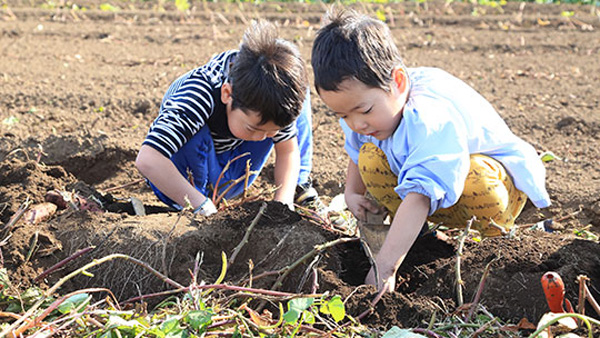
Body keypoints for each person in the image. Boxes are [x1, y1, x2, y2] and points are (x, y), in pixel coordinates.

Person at [311, 9, 551, 293]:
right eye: (343, 115)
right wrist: (352, 193)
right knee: (371, 158)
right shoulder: (365, 112)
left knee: (475, 180)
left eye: (363, 110)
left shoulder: (429, 117)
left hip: (500, 187)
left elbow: (420, 194)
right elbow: (358, 148)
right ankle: (417, 236)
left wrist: (385, 268)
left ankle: (502, 244)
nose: (356, 123)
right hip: (440, 188)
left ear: (397, 82)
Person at [136, 20, 322, 217]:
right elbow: (148, 159)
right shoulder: (199, 93)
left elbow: (288, 151)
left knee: (293, 87)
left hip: (234, 173)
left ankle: (299, 187)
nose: (262, 138)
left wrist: (283, 207)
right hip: (183, 182)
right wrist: (200, 205)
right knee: (190, 130)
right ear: (227, 94)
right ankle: (192, 205)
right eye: (253, 129)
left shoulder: (271, 99)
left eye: (270, 132)